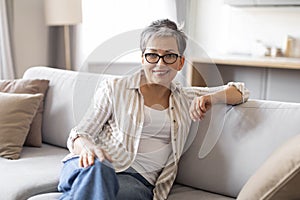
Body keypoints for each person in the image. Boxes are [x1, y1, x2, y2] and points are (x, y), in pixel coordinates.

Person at [58, 19, 249, 200]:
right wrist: (88, 148)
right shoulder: (114, 88)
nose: (160, 63)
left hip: (135, 182)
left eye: (169, 56)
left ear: (180, 62)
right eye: (152, 55)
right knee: (99, 172)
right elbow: (79, 133)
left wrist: (209, 98)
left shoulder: (185, 97)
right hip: (90, 165)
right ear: (142, 58)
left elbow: (240, 91)